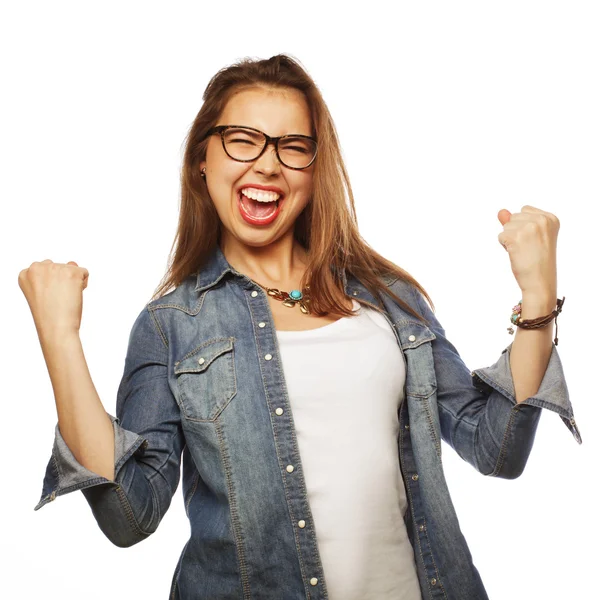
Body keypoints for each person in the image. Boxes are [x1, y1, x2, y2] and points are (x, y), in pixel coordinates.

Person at [19, 54, 580, 600]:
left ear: (315, 170)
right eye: (243, 139)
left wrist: (537, 297)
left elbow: (498, 448)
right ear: (202, 160)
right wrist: (59, 338)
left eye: (293, 147)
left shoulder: (388, 299)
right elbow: (128, 515)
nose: (267, 164)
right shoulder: (171, 326)